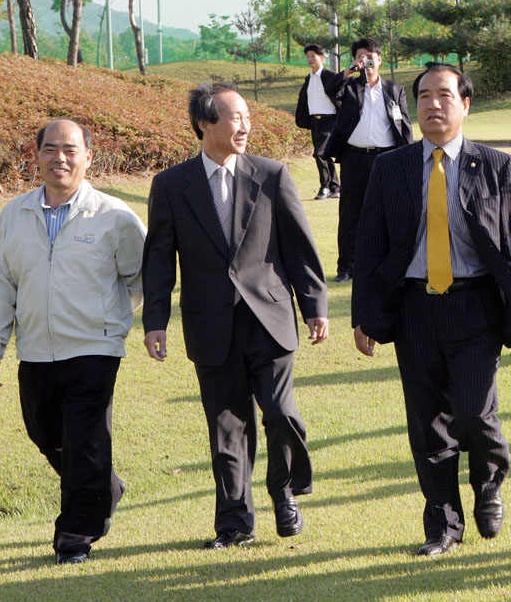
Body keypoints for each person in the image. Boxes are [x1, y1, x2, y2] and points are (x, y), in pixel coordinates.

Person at [351, 63, 511, 556]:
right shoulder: (390, 168)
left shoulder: (496, 165)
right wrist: (365, 314)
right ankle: (442, 525)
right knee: (427, 424)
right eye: (423, 97)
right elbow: (369, 245)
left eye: (444, 95)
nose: (433, 105)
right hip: (414, 307)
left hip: (475, 306)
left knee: (476, 416)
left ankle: (488, 483)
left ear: (466, 104)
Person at [142, 82, 329, 550]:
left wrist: (314, 307)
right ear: (205, 123)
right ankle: (234, 522)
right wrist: (155, 321)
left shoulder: (271, 175)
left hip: (270, 316)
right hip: (210, 323)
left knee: (281, 412)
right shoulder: (171, 186)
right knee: (227, 427)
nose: (244, 125)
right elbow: (160, 258)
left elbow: (299, 248)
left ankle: (284, 490)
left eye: (247, 116)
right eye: (234, 117)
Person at [0, 119, 145, 564]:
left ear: (89, 157)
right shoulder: (15, 214)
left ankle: (74, 534)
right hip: (35, 347)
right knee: (46, 432)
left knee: (86, 438)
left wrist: (111, 320)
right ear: (36, 156)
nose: (60, 159)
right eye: (50, 150)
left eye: (71, 150)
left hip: (94, 346)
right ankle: (105, 487)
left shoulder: (115, 215)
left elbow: (140, 276)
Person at [323, 37, 413, 282]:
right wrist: (352, 69)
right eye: (362, 56)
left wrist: (409, 156)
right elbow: (331, 89)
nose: (368, 60)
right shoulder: (350, 87)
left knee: (390, 210)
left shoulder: (394, 90)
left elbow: (403, 125)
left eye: (372, 56)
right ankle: (346, 267)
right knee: (351, 212)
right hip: (354, 157)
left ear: (380, 59)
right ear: (355, 60)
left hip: (387, 157)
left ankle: (392, 262)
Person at [294, 43, 340, 200]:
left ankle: (325, 186)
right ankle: (335, 187)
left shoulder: (330, 76)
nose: (310, 59)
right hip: (315, 121)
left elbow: (340, 97)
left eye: (313, 56)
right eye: (308, 56)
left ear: (322, 58)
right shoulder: (309, 78)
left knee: (319, 153)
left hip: (330, 120)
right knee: (324, 155)